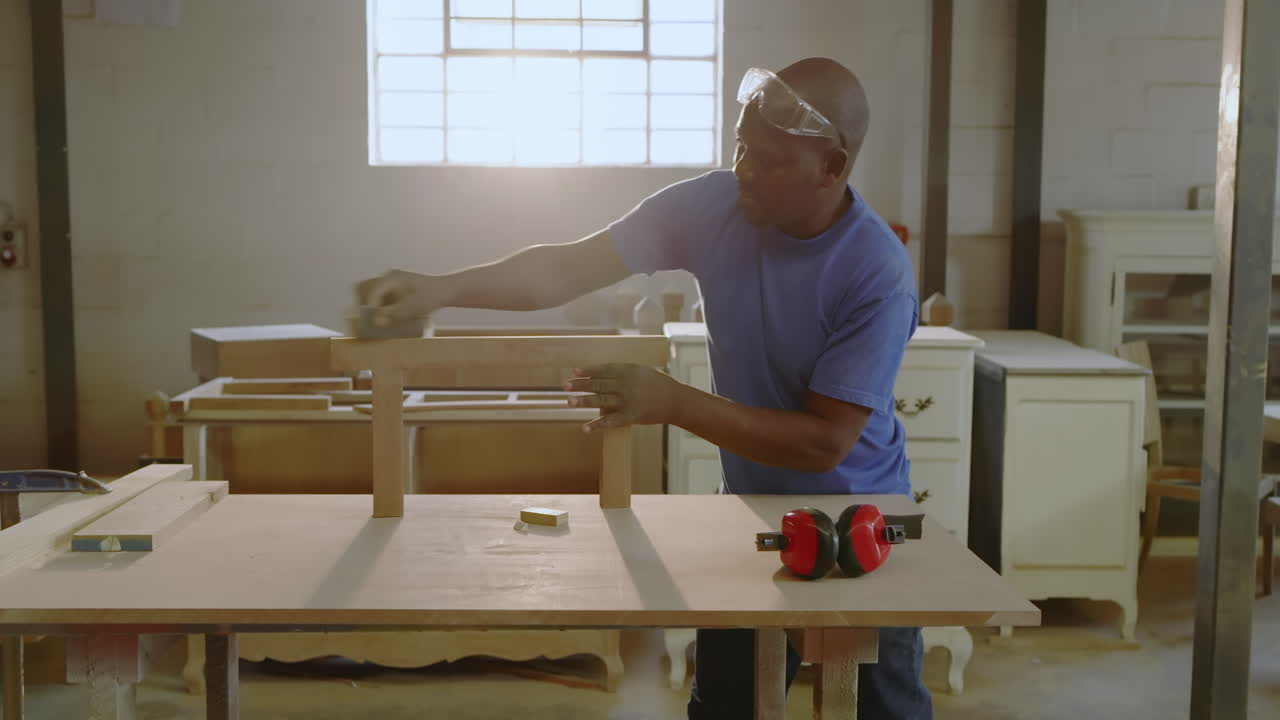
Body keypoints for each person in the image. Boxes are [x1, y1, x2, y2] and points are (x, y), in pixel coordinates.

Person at [359, 56, 932, 719]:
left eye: (769, 159)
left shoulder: (875, 272)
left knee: (885, 709)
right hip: (749, 508)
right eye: (741, 145)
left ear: (831, 169)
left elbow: (824, 443)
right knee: (725, 707)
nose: (743, 167)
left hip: (856, 519)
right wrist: (443, 288)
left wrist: (671, 402)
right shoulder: (717, 204)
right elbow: (567, 268)